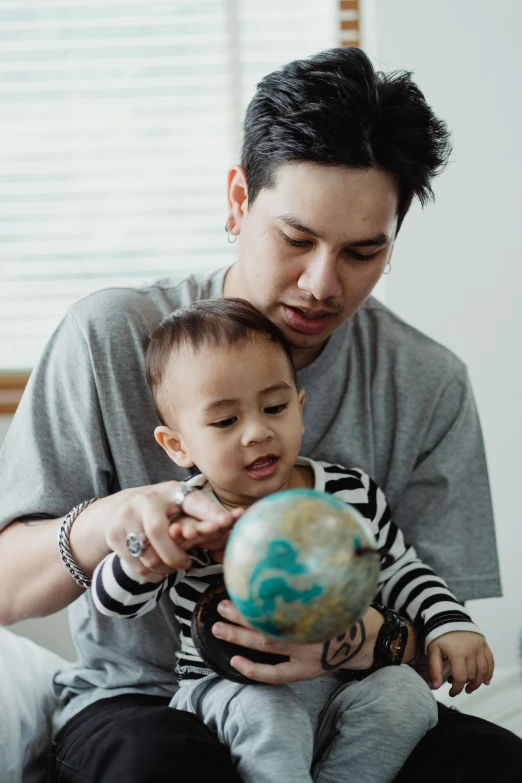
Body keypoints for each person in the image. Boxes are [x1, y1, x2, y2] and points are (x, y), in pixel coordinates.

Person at [0, 45, 520, 783]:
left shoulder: (427, 383)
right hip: (151, 701)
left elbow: (434, 627)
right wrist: (116, 523)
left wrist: (357, 642)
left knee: (494, 763)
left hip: (346, 700)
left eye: (363, 251)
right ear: (240, 199)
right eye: (296, 239)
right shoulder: (112, 336)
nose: (321, 284)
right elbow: (5, 588)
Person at [90, 297, 495, 783]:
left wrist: (449, 625)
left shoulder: (350, 495)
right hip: (232, 687)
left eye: (275, 407)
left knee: (408, 699)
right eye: (225, 421)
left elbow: (400, 572)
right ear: (178, 445)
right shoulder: (185, 516)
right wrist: (144, 562)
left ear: (300, 408)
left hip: (346, 685)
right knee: (271, 717)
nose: (257, 432)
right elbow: (115, 604)